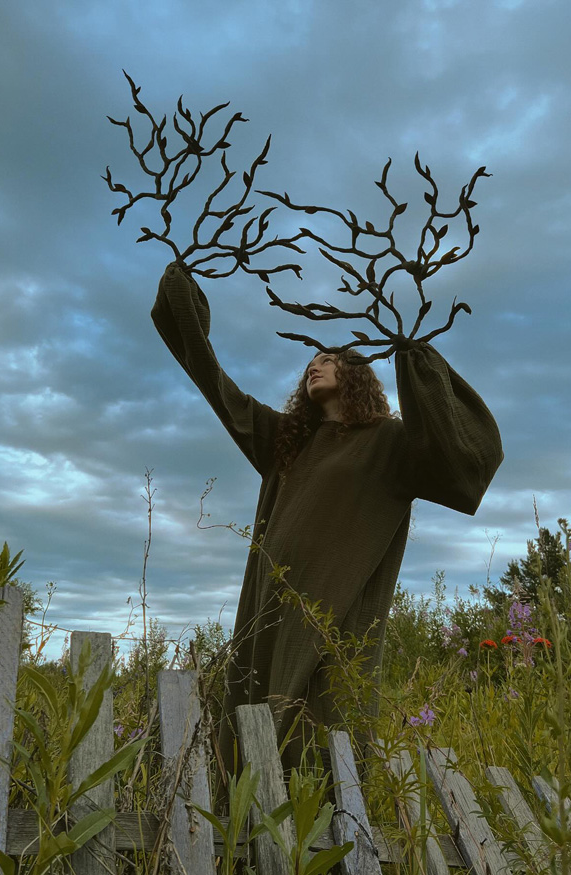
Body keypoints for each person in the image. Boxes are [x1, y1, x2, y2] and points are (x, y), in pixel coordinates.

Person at [151, 260, 503, 800]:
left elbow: (464, 463)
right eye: (311, 360)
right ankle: (244, 830)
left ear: (356, 374)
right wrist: (183, 302)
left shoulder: (390, 443)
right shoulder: (285, 441)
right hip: (272, 608)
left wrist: (418, 363)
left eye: (329, 358)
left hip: (336, 615)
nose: (315, 364)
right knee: (253, 722)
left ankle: (333, 830)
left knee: (323, 729)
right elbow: (218, 388)